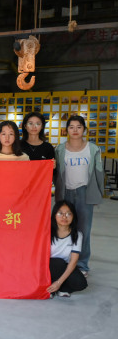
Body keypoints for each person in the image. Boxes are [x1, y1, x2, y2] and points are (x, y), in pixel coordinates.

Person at [53, 115, 104, 277]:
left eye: (79, 127)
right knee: (63, 228)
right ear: (67, 130)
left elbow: (99, 173)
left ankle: (82, 264)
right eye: (71, 127)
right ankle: (65, 261)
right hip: (65, 193)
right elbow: (56, 173)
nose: (75, 130)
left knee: (83, 230)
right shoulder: (60, 149)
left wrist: (98, 194)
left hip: (84, 193)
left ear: (84, 130)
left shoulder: (93, 149)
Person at [47, 200, 88, 298]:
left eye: (68, 214)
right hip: (48, 267)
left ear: (73, 217)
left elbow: (73, 261)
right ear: (54, 215)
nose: (64, 217)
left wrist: (59, 282)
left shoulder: (77, 235)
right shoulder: (47, 232)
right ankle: (49, 287)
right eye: (60, 213)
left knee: (81, 283)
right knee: (57, 262)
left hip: (64, 266)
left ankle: (60, 287)